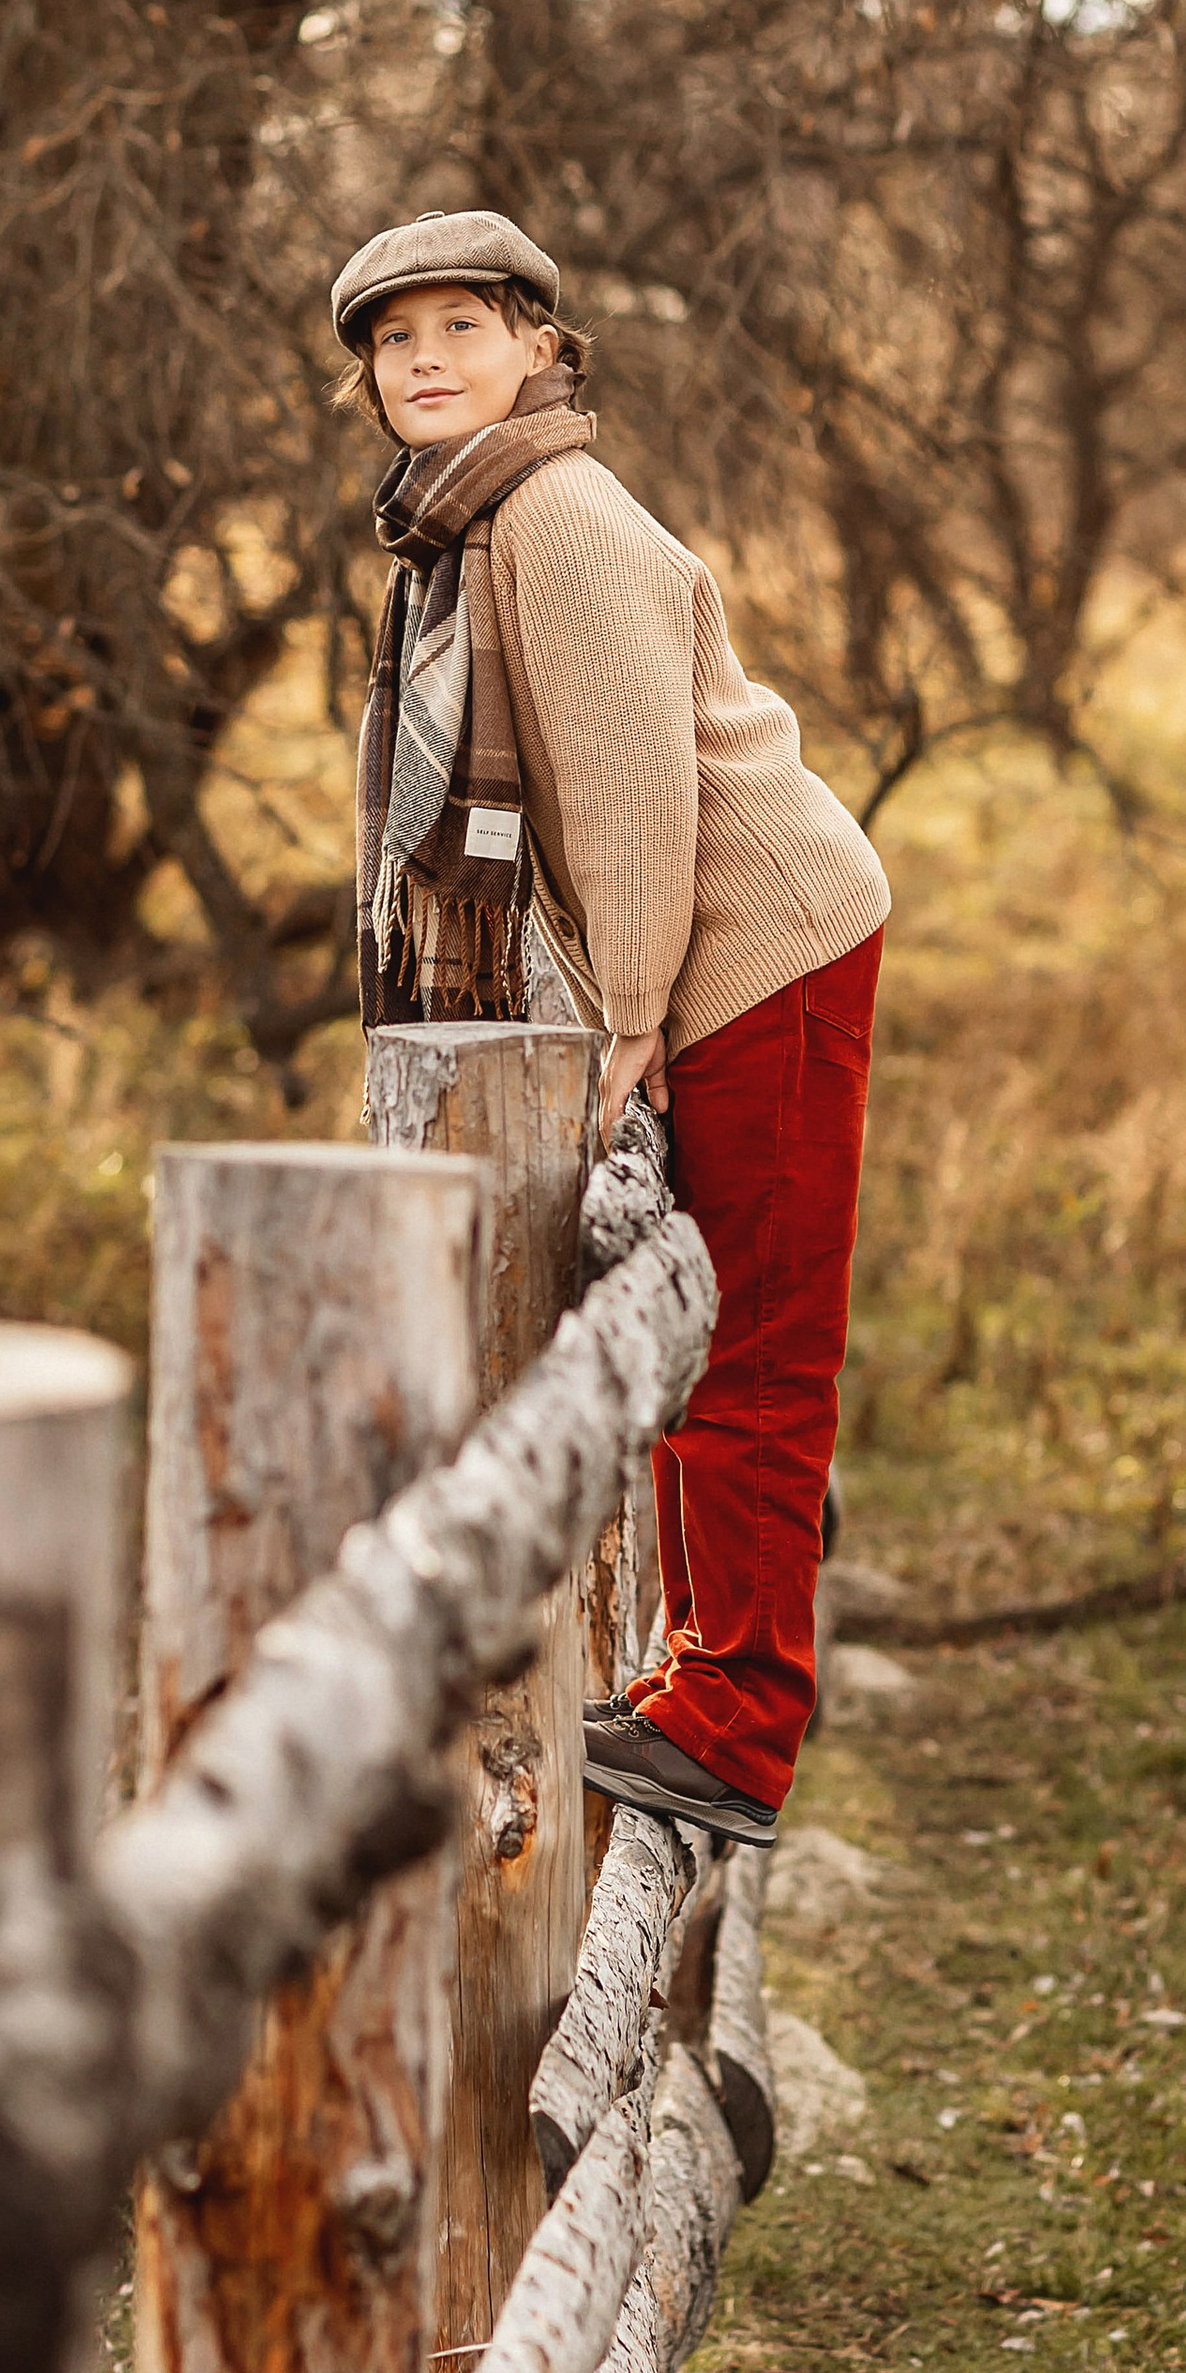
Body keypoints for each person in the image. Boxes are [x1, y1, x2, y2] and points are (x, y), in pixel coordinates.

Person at [335, 206, 890, 1847]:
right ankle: (695, 1674)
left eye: (460, 328)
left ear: (538, 348)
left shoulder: (553, 520)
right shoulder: (464, 534)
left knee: (761, 1348)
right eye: (393, 340)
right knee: (703, 1329)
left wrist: (627, 1023)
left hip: (761, 947)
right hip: (717, 949)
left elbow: (637, 799)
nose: (425, 361)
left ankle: (736, 1725)